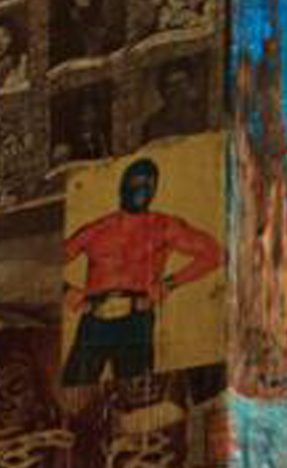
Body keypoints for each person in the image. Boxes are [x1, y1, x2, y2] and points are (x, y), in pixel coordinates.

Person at [63, 158, 224, 386]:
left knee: (137, 389)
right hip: (95, 320)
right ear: (123, 186)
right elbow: (48, 261)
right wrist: (67, 290)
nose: (142, 190)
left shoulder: (164, 226)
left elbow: (215, 253)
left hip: (136, 321)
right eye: (136, 183)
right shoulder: (97, 230)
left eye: (149, 185)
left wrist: (169, 284)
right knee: (75, 387)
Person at [143, 57, 211, 139]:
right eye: (170, 85)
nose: (176, 90)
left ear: (190, 84)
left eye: (180, 82)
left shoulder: (203, 114)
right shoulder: (154, 125)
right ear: (162, 91)